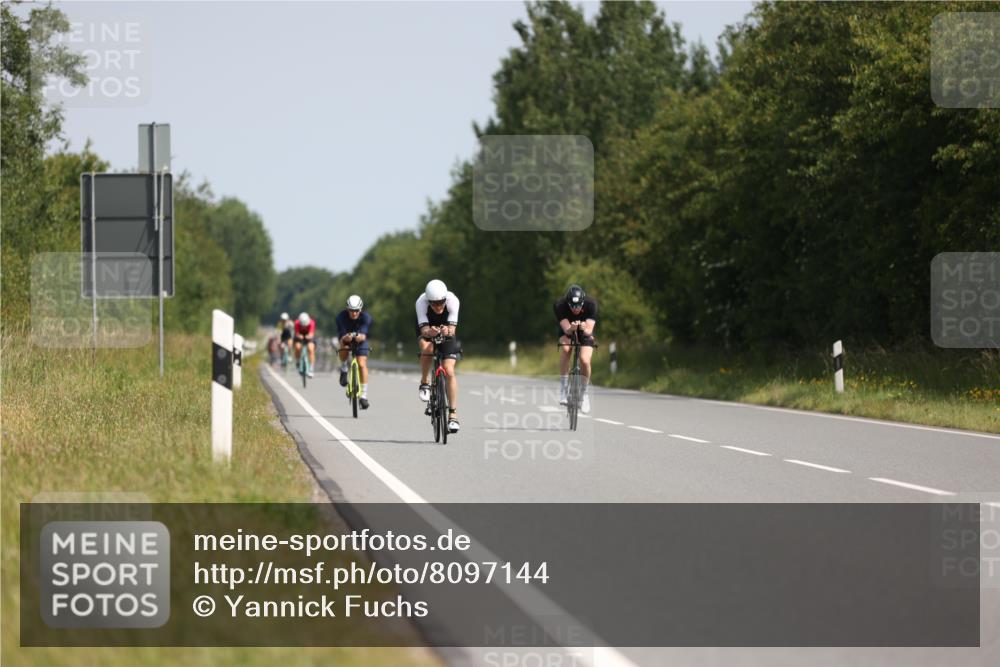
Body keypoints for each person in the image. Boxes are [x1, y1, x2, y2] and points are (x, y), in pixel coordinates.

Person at [416, 279, 461, 433]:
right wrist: (431, 332)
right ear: (428, 301)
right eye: (434, 304)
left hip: (446, 329)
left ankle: (453, 415)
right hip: (428, 328)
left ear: (445, 299)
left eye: (441, 302)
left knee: (449, 370)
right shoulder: (421, 303)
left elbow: (452, 330)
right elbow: (424, 331)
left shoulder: (453, 300)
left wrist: (446, 331)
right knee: (427, 348)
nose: (438, 306)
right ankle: (425, 382)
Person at [554, 284, 598, 413]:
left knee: (584, 359)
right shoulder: (559, 305)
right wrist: (572, 328)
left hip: (585, 331)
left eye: (578, 306)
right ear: (567, 303)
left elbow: (589, 331)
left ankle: (584, 393)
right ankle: (563, 388)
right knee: (566, 349)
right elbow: (566, 329)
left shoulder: (591, 304)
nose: (576, 309)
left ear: (583, 303)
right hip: (567, 330)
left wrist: (584, 329)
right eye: (572, 306)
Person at [336, 294, 373, 409]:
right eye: (351, 310)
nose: (354, 313)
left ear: (360, 309)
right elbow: (342, 334)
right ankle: (344, 368)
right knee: (344, 347)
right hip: (346, 339)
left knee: (361, 364)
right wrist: (346, 337)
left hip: (360, 340)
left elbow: (364, 334)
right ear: (347, 309)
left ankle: (363, 396)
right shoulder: (340, 317)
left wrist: (360, 337)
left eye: (356, 311)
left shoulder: (366, 317)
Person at [294, 311, 316, 378]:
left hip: (308, 336)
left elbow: (311, 333)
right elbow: (297, 333)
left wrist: (308, 336)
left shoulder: (312, 322)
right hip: (299, 336)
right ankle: (298, 361)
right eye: (302, 325)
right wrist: (299, 336)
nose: (304, 327)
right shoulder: (296, 323)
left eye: (305, 325)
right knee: (297, 347)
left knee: (310, 349)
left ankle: (311, 368)